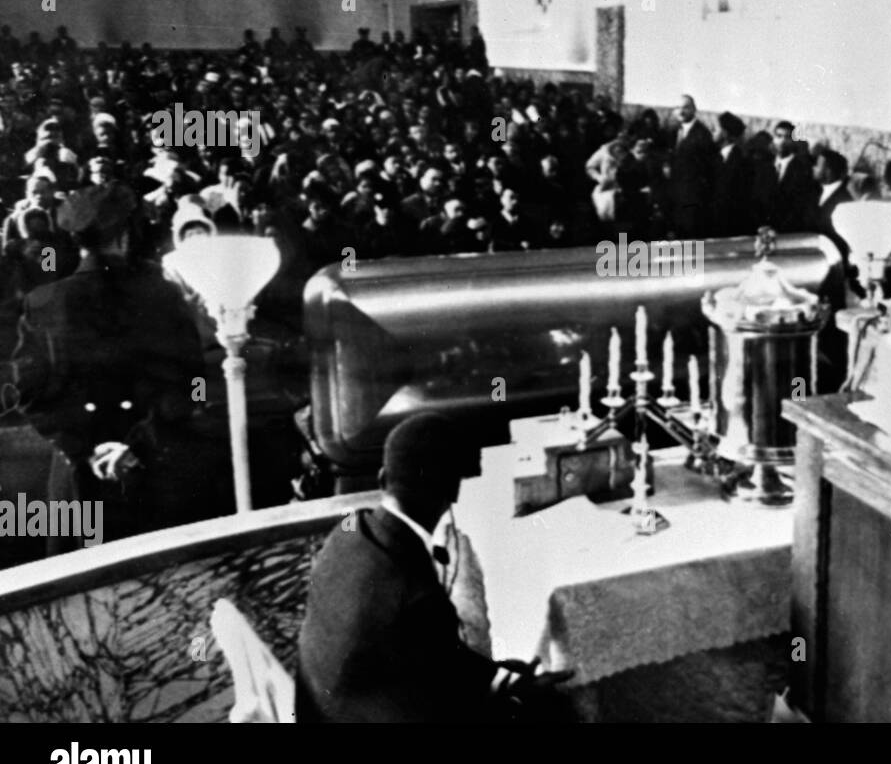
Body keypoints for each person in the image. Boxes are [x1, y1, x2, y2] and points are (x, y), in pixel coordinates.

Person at [296, 414, 573, 722]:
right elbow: (446, 704)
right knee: (555, 709)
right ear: (453, 492)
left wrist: (500, 678)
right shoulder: (418, 595)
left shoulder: (348, 531)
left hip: (325, 711)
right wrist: (520, 695)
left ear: (382, 478)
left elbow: (435, 656)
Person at [7, 184, 230, 552]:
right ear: (127, 235)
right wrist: (139, 444)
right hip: (159, 467)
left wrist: (85, 449)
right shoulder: (162, 292)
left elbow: (26, 392)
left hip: (80, 479)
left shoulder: (43, 302)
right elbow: (196, 386)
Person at [668, 95, 719, 239]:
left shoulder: (702, 135)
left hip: (693, 201)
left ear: (694, 110)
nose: (681, 111)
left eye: (685, 107)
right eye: (678, 108)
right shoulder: (673, 132)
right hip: (676, 198)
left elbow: (707, 170)